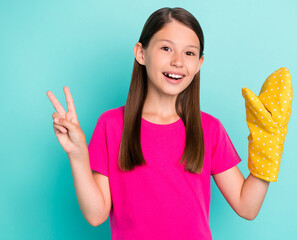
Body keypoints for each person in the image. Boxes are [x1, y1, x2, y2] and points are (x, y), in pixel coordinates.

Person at [46, 7, 272, 240]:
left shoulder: (210, 128)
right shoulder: (111, 125)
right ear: (141, 53)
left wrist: (269, 144)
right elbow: (96, 215)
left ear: (199, 64)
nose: (178, 62)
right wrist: (77, 154)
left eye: (189, 53)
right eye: (166, 48)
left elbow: (247, 207)